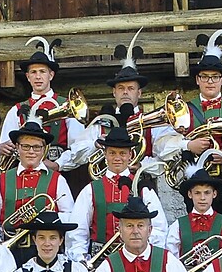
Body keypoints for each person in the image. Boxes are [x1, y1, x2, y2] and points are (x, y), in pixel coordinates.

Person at [153, 31, 222, 212]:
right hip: (196, 184)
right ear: (197, 80)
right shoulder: (183, 109)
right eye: (205, 76)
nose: (210, 81)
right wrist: (188, 145)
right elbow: (160, 146)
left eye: (215, 76)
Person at [61, 43, 170, 178]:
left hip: (141, 185)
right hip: (105, 186)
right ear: (114, 92)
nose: (125, 92)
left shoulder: (152, 122)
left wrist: (141, 165)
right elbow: (76, 155)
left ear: (139, 93)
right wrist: (95, 144)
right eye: (121, 88)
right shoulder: (101, 123)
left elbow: (164, 162)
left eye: (131, 88)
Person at [67, 125, 167, 264]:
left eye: (122, 153)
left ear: (130, 155)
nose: (117, 158)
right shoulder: (90, 190)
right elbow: (78, 230)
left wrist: (145, 254)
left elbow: (159, 228)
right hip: (99, 261)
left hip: (136, 260)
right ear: (105, 154)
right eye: (112, 153)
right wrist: (81, 258)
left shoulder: (142, 188)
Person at [0, 118, 75, 264]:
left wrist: (45, 218)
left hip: (47, 251)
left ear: (44, 150)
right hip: (10, 252)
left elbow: (70, 216)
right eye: (26, 146)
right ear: (17, 148)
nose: (31, 151)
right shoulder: (3, 179)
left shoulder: (58, 179)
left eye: (37, 147)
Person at [0, 38, 82, 169]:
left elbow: (78, 145)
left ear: (51, 75)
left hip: (60, 172)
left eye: (42, 71)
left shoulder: (69, 105)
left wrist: (58, 164)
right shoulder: (16, 110)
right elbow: (6, 144)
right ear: (28, 77)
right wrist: (1, 148)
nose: (38, 77)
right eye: (33, 72)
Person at [165, 168, 222, 260]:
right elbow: (171, 257)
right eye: (197, 193)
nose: (202, 198)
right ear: (190, 194)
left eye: (207, 193)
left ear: (214, 194)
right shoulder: (177, 226)